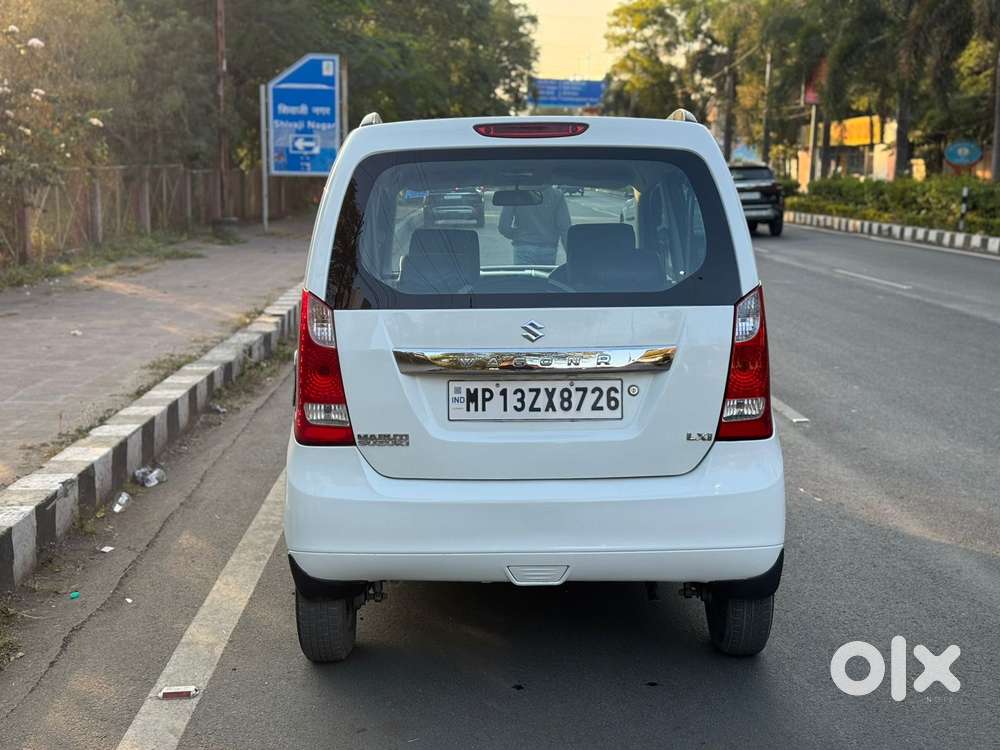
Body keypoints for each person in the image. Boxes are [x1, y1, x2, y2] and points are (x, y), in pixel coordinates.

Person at [497, 185, 571, 265]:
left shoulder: (516, 193)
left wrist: (518, 235)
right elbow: (565, 229)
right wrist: (572, 256)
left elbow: (503, 226)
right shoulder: (557, 195)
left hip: (523, 247)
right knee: (544, 276)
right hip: (548, 248)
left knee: (523, 277)